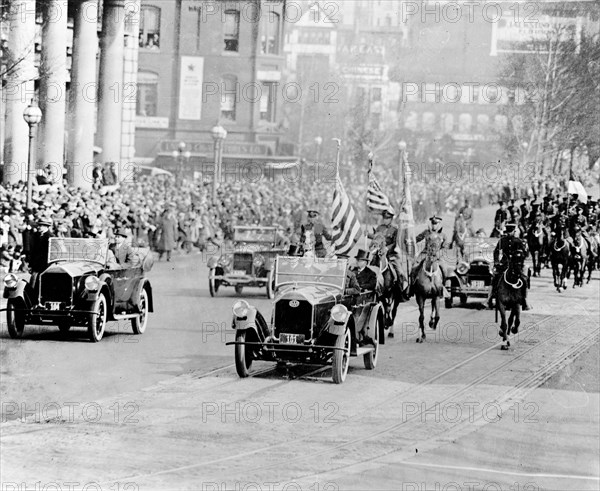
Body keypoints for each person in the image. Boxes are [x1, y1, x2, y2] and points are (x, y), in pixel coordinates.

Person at [486, 222, 531, 310]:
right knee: (494, 279)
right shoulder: (502, 240)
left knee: (524, 280)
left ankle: (525, 301)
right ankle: (489, 300)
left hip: (516, 265)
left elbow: (525, 254)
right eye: (508, 232)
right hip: (504, 264)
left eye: (511, 232)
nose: (509, 233)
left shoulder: (518, 241)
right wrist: (496, 262)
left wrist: (523, 253)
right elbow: (496, 251)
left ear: (514, 232)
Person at [408, 215, 448, 297]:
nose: (434, 225)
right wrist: (410, 239)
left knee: (444, 269)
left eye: (436, 224)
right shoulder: (426, 232)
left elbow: (445, 247)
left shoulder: (443, 235)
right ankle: (412, 288)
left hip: (438, 256)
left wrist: (438, 254)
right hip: (425, 254)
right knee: (414, 267)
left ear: (439, 224)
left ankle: (442, 287)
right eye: (433, 223)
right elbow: (417, 238)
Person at [367, 209, 404, 287]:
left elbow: (395, 242)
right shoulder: (379, 228)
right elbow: (376, 238)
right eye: (384, 218)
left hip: (391, 255)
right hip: (379, 254)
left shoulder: (395, 229)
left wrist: (387, 248)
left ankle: (401, 292)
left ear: (391, 219)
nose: (385, 220)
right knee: (368, 268)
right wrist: (368, 234)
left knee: (400, 272)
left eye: (387, 218)